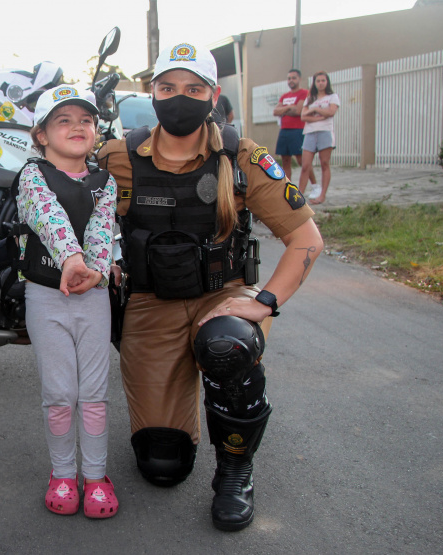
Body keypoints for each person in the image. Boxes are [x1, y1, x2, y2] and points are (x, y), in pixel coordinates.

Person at [96, 41, 324, 531]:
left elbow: (306, 238)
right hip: (151, 303)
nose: (180, 97)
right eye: (168, 87)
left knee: (226, 348)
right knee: (163, 466)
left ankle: (235, 470)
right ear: (152, 93)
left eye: (193, 88)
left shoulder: (242, 156)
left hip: (222, 297)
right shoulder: (118, 156)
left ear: (213, 95)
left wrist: (265, 301)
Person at [14, 85, 119, 518]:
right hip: (46, 296)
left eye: (86, 121)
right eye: (64, 120)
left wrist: (93, 268)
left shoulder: (104, 181)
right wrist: (71, 260)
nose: (78, 127)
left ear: (96, 131)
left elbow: (102, 227)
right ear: (40, 134)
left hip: (92, 297)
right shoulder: (32, 175)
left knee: (94, 393)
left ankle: (95, 477)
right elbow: (47, 214)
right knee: (60, 393)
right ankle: (62, 472)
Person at [299, 71, 340, 204]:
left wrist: (315, 110)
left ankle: (322, 195)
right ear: (314, 83)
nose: (321, 83)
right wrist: (317, 113)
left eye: (323, 80)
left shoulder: (333, 97)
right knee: (305, 165)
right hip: (310, 132)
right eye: (318, 81)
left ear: (327, 82)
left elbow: (331, 112)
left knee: (324, 163)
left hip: (325, 132)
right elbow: (303, 116)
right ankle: (299, 196)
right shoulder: (310, 98)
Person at [273, 69, 317, 186]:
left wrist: (285, 109)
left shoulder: (304, 93)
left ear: (299, 79)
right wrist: (289, 107)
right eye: (289, 78)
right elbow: (276, 111)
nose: (291, 81)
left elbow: (298, 110)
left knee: (301, 160)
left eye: (293, 78)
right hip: (284, 130)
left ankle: (314, 185)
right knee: (285, 161)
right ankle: (288, 187)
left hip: (297, 130)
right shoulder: (284, 96)